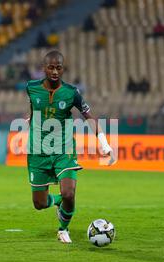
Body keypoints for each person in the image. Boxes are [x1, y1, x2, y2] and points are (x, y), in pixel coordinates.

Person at [25, 50, 114, 244]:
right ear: (44, 68)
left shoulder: (72, 92)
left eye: (58, 67)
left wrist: (104, 143)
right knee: (39, 204)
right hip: (37, 151)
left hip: (63, 149)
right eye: (51, 67)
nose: (55, 71)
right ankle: (57, 202)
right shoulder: (31, 87)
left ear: (63, 69)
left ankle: (63, 229)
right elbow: (33, 105)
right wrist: (32, 118)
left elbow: (89, 118)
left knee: (69, 193)